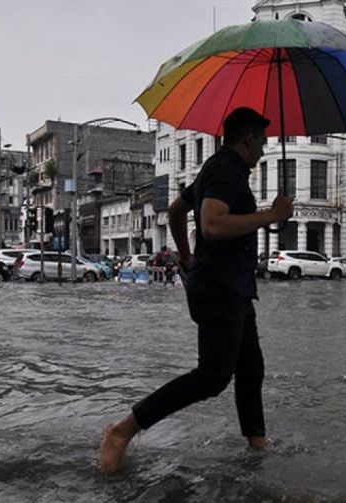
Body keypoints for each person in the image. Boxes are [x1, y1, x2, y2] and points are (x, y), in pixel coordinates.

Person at [98, 107, 295, 475]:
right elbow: (213, 225)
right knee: (212, 377)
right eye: (264, 142)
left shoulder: (220, 168)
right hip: (221, 286)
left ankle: (257, 444)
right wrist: (271, 215)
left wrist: (187, 259)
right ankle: (123, 430)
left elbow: (175, 211)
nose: (266, 150)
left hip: (231, 286)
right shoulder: (225, 170)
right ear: (248, 139)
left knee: (251, 369)